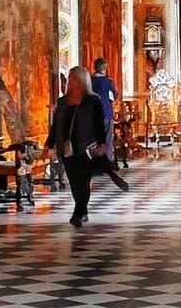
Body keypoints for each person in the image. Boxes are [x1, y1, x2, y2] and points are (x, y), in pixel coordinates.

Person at [50, 64, 126, 228]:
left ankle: (79, 213)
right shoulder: (62, 102)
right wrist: (49, 143)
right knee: (74, 181)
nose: (70, 82)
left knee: (84, 180)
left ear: (82, 81)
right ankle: (82, 210)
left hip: (86, 147)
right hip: (67, 148)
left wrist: (102, 144)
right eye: (70, 78)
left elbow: (99, 124)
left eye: (74, 78)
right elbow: (55, 124)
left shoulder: (92, 100)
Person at [89, 57, 119, 142]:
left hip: (92, 115)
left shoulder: (89, 81)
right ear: (105, 68)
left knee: (94, 142)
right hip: (106, 114)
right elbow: (115, 97)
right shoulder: (108, 82)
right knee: (107, 142)